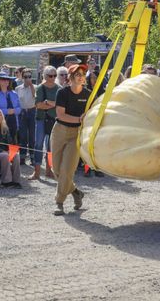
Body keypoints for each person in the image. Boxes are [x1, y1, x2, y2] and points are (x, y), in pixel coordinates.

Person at [51, 63, 89, 215]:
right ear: (70, 77)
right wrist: (80, 119)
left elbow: (92, 113)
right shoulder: (62, 93)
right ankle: (75, 191)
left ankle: (59, 202)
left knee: (67, 170)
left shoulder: (88, 94)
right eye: (77, 74)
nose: (81, 77)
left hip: (76, 135)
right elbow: (61, 115)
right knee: (57, 170)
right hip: (59, 131)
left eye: (82, 74)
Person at [34, 65, 60, 180]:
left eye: (55, 75)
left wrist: (48, 102)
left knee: (51, 147)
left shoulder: (59, 88)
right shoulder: (40, 88)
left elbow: (60, 105)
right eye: (50, 75)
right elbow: (38, 105)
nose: (53, 77)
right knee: (38, 145)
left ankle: (49, 171)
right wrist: (53, 104)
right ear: (45, 76)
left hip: (53, 120)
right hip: (41, 119)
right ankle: (37, 172)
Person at [0, 72, 21, 143]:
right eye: (3, 79)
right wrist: (6, 111)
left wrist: (14, 111)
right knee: (2, 146)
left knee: (12, 146)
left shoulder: (14, 93)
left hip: (13, 123)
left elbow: (19, 108)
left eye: (7, 79)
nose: (6, 81)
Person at [15, 68, 36, 165]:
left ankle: (32, 158)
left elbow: (35, 97)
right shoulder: (18, 88)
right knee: (23, 136)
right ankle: (22, 157)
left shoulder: (35, 87)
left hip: (32, 112)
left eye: (29, 77)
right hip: (22, 112)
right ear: (22, 78)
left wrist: (31, 85)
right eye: (25, 77)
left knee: (32, 136)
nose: (28, 79)